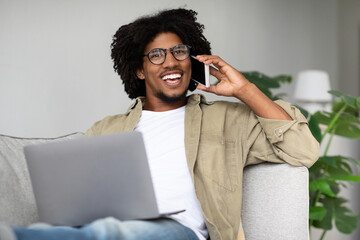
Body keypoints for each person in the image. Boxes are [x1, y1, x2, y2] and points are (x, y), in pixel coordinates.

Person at [2, 8, 319, 240]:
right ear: (139, 70)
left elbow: (303, 151)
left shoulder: (228, 120)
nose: (170, 62)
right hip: (109, 226)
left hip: (178, 231)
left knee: (111, 233)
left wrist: (243, 89)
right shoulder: (105, 129)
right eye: (155, 55)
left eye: (179, 51)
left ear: (191, 59)